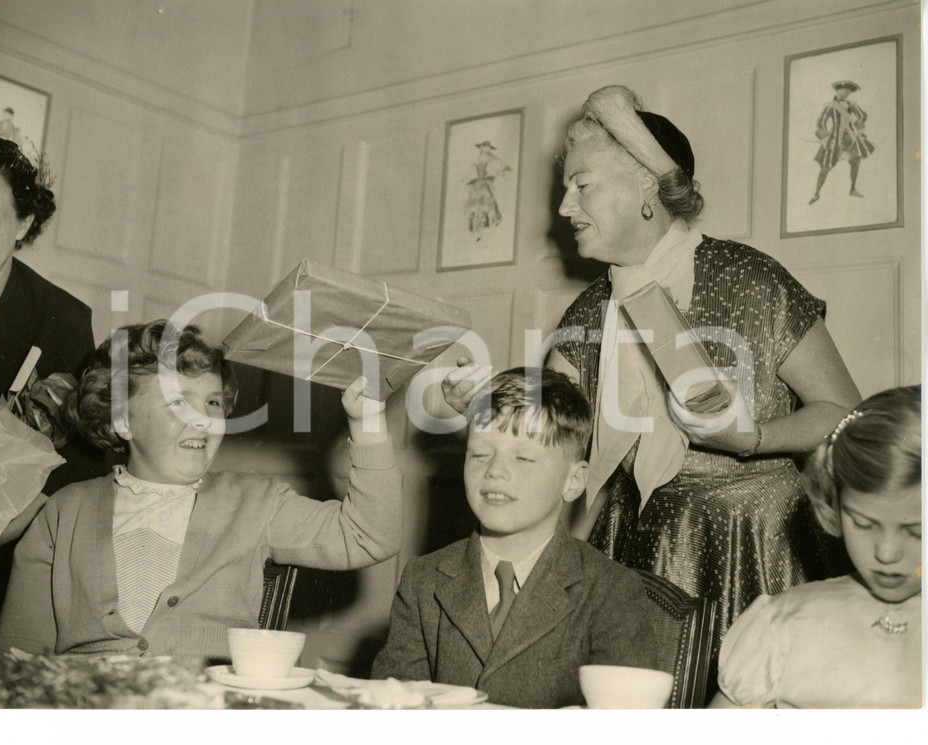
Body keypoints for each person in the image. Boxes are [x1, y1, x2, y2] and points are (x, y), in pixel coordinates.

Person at [443, 85, 861, 669]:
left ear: (646, 185)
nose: (564, 207)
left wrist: (753, 439)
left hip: (758, 552)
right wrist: (483, 401)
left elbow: (845, 413)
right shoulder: (588, 314)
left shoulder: (751, 279)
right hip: (629, 552)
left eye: (581, 185)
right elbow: (545, 440)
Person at [0, 320, 402, 658]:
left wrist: (367, 424)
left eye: (214, 403)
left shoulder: (256, 503)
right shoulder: (64, 513)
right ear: (122, 421)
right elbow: (18, 652)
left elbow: (370, 535)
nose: (204, 419)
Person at [372, 368, 659, 708]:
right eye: (480, 453)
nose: (495, 470)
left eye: (522, 457)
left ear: (573, 482)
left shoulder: (610, 593)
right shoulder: (423, 581)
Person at [0, 132, 100, 646]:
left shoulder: (61, 319)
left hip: (5, 555)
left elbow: (80, 462)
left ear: (24, 224)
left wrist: (6, 528)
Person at [711, 386, 921, 708]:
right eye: (863, 524)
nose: (887, 553)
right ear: (834, 506)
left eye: (917, 531)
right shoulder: (783, 624)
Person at [808, 80, 874, 205]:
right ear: (837, 91)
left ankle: (852, 189)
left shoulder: (851, 105)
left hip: (851, 139)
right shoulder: (830, 106)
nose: (845, 93)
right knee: (825, 168)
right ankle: (816, 193)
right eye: (843, 91)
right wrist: (824, 138)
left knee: (856, 163)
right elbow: (821, 122)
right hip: (835, 140)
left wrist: (859, 127)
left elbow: (863, 116)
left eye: (847, 92)